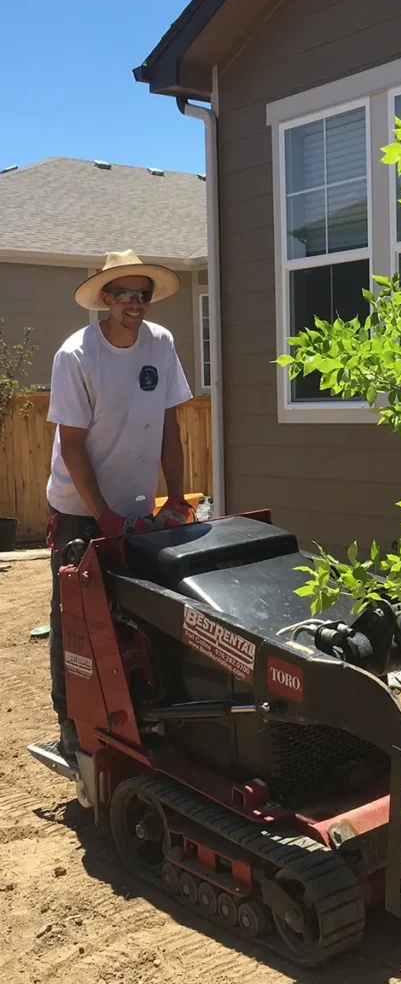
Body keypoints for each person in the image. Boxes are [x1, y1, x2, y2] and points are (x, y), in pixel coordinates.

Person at [46, 249, 194, 755]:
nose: (136, 303)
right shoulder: (77, 355)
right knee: (77, 619)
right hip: (79, 508)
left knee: (141, 610)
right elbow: (70, 445)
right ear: (105, 299)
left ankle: (141, 710)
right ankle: (71, 719)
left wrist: (174, 497)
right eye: (125, 294)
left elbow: (171, 426)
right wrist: (101, 515)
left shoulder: (161, 344)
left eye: (144, 295)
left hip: (136, 506)